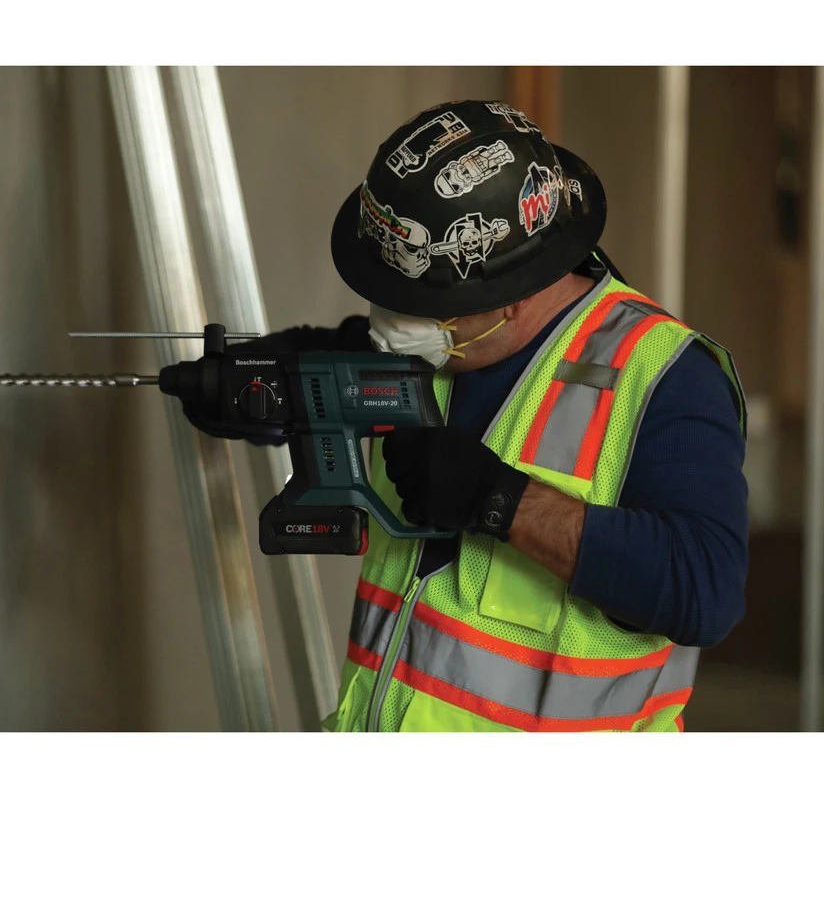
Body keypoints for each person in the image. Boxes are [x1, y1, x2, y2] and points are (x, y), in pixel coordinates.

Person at [232, 100, 749, 732]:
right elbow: (332, 360)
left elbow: (705, 589)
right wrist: (249, 384)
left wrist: (499, 499)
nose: (395, 325)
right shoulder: (439, 350)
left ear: (512, 296)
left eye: (422, 306)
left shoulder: (665, 377)